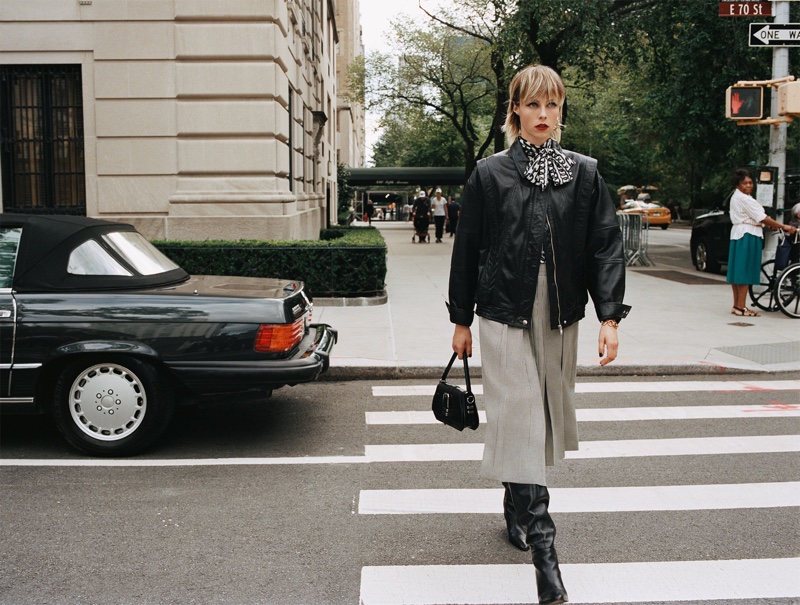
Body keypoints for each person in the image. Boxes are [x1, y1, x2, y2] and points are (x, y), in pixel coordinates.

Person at [447, 65, 631, 605]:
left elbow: (603, 243)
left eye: (552, 105)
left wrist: (611, 316)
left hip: (560, 309)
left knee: (540, 413)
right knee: (520, 410)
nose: (544, 115)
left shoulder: (585, 172)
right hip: (503, 308)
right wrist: (461, 320)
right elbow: (468, 247)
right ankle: (547, 559)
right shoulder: (490, 173)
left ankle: (514, 500)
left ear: (560, 111)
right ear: (516, 112)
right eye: (533, 105)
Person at [726, 169, 797, 317]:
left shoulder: (739, 197)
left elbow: (759, 219)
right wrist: (783, 226)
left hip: (740, 233)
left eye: (750, 183)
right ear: (738, 184)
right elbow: (761, 217)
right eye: (745, 183)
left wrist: (769, 224)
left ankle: (737, 305)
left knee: (738, 270)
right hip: (748, 234)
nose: (748, 185)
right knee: (745, 270)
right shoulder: (744, 199)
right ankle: (741, 307)